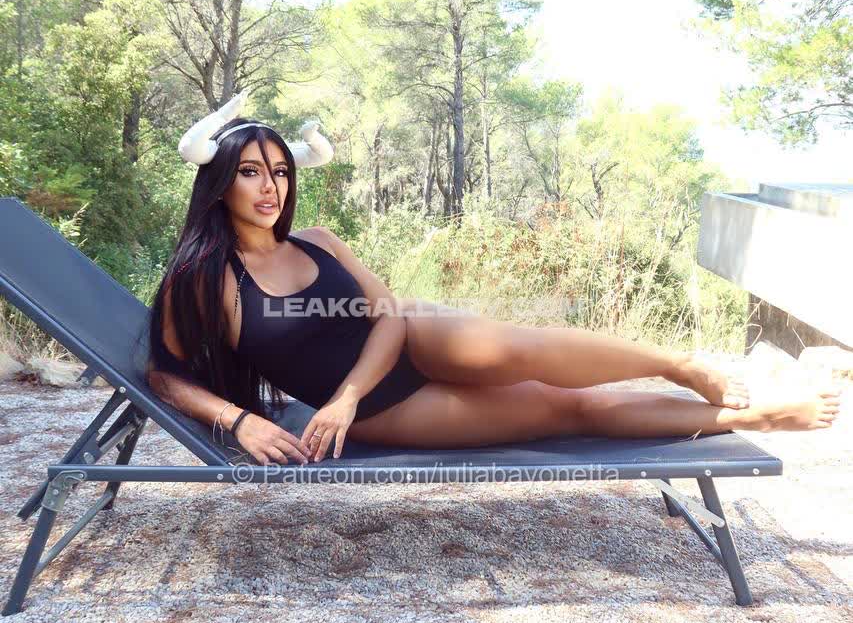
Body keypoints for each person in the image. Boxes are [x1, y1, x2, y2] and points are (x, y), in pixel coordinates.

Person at [148, 111, 842, 466]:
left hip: (406, 343)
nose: (270, 187)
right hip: (388, 406)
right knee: (566, 409)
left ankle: (681, 365)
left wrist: (345, 396)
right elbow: (164, 375)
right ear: (219, 181)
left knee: (524, 347)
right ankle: (754, 418)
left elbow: (387, 316)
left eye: (279, 172)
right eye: (251, 172)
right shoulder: (202, 280)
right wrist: (238, 420)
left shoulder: (319, 241)